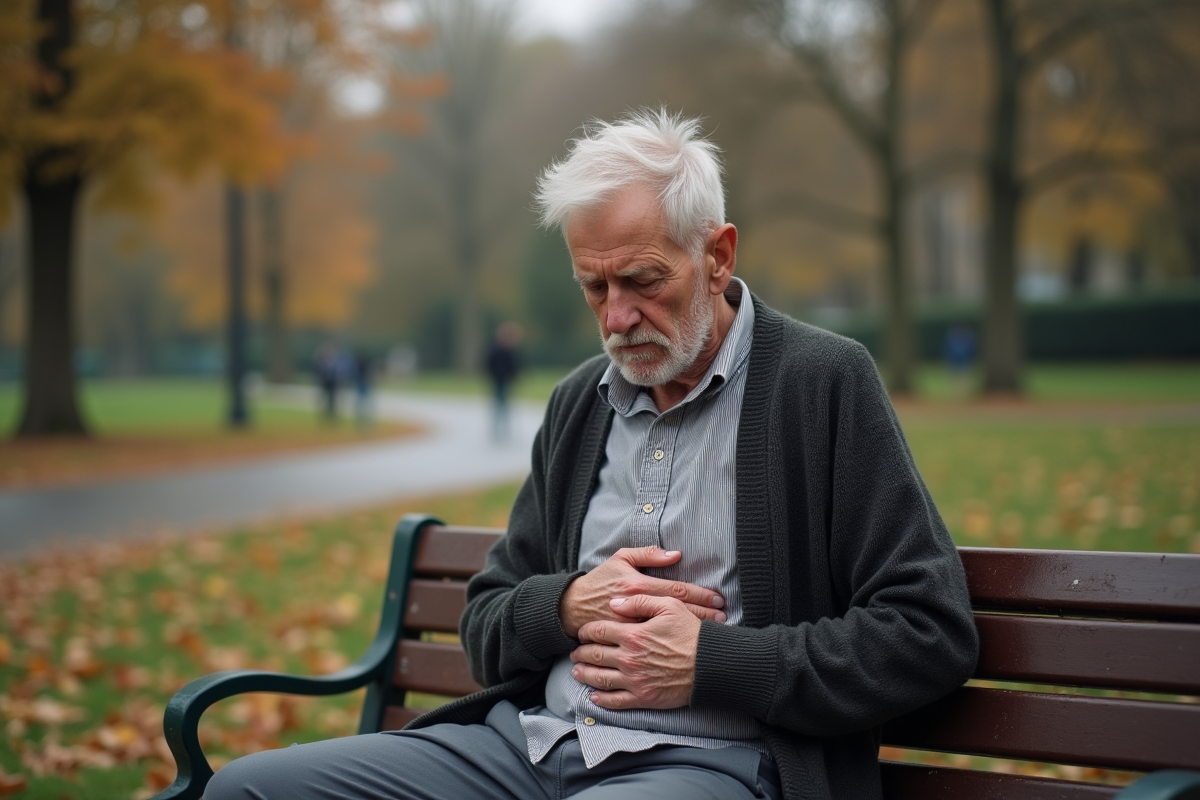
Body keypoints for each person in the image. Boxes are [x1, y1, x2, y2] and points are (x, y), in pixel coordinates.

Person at [207, 109, 978, 800]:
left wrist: (712, 662)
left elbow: (927, 632)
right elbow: (485, 623)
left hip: (714, 764)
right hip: (527, 749)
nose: (617, 316)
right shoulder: (581, 401)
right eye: (593, 286)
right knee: (250, 790)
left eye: (642, 280)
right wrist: (570, 603)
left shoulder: (821, 383)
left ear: (717, 255)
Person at [485, 321, 523, 441]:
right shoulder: (495, 349)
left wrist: (514, 376)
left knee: (504, 404)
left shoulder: (510, 350)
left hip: (506, 380)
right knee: (499, 404)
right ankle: (497, 430)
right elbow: (488, 364)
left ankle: (503, 429)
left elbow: (514, 366)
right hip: (497, 380)